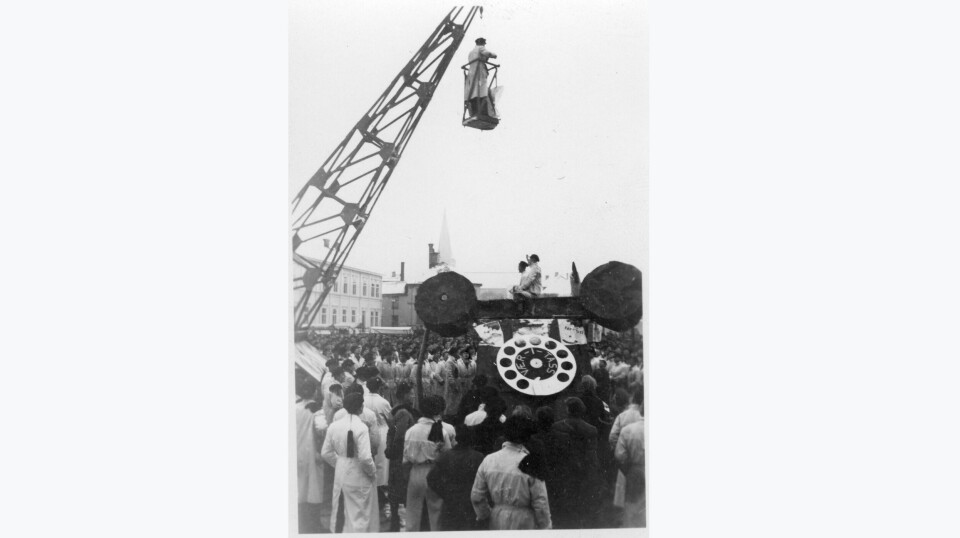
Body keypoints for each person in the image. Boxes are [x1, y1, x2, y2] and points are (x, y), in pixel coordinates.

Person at [470, 416, 552, 530]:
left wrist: (485, 515)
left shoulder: (489, 460)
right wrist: (545, 526)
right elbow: (541, 501)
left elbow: (477, 496)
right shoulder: (532, 462)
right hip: (525, 521)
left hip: (496, 518)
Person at [321, 392, 379, 533]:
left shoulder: (334, 426)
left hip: (341, 471)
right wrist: (372, 471)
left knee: (342, 511)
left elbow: (325, 453)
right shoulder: (361, 427)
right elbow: (365, 457)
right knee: (360, 514)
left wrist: (340, 462)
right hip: (359, 473)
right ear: (360, 407)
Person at [403, 395, 456, 531]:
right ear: (437, 411)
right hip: (434, 471)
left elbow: (405, 459)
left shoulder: (411, 431)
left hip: (415, 471)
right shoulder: (440, 431)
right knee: (436, 511)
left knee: (413, 510)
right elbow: (447, 456)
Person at [552, 397, 603, 529]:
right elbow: (592, 455)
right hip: (583, 471)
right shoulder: (591, 429)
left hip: (563, 471)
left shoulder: (557, 427)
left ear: (568, 409)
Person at [426, 424, 487, 531]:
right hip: (470, 504)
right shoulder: (478, 457)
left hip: (450, 502)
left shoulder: (445, 456)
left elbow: (431, 478)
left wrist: (444, 493)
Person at [386, 382, 419, 532]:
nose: (412, 396)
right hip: (402, 457)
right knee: (403, 488)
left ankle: (395, 520)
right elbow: (400, 436)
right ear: (404, 395)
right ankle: (402, 523)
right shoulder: (404, 413)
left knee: (394, 487)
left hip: (395, 456)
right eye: (411, 393)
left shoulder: (394, 411)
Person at [609, 386, 644, 516]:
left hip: (628, 464)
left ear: (632, 398)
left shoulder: (622, 416)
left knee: (627, 497)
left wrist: (622, 454)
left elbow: (612, 437)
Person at [296, 379, 324, 533]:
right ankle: (314, 525)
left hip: (297, 452)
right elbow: (322, 431)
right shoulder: (316, 410)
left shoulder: (294, 408)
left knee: (300, 488)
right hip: (313, 453)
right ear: (314, 391)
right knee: (314, 489)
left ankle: (302, 524)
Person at [364, 377, 394, 503]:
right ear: (379, 387)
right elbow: (391, 420)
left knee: (371, 459)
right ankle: (380, 489)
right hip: (381, 430)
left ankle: (372, 487)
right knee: (382, 462)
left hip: (366, 431)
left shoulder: (363, 400)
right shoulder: (383, 402)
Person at [614, 420, 645, 527]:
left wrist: (627, 463)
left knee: (632, 505)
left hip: (635, 469)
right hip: (641, 467)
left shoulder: (628, 428)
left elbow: (619, 454)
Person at [464, 37, 498, 117]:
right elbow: (487, 53)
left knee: (474, 92)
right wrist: (494, 55)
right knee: (482, 91)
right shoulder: (481, 48)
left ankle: (475, 111)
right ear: (482, 43)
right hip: (479, 71)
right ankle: (484, 112)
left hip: (472, 73)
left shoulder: (471, 52)